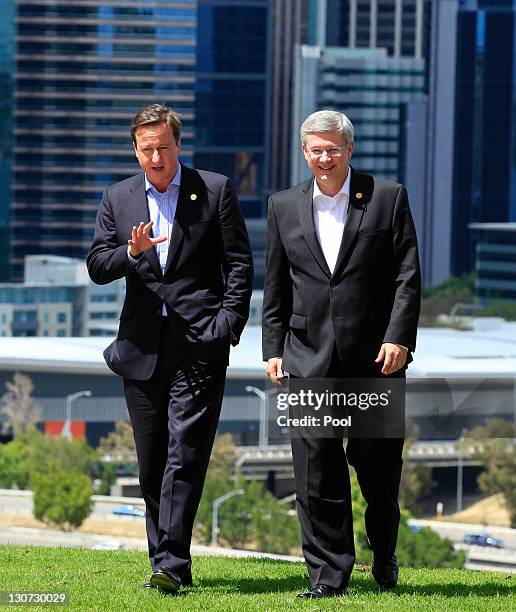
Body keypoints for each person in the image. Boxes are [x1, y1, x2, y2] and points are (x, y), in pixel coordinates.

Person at [87, 104, 253, 592]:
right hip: (140, 347)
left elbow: (240, 261)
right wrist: (131, 252)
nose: (155, 156)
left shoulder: (214, 189)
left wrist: (228, 323)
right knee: (152, 460)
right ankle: (163, 558)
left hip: (199, 345)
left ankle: (171, 567)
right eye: (146, 149)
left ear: (178, 145)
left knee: (186, 454)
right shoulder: (117, 198)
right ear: (135, 149)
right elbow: (97, 265)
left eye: (163, 147)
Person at [262, 110, 421, 598]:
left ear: (349, 150)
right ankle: (328, 576)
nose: (325, 157)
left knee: (377, 471)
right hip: (306, 357)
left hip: (375, 360)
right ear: (304, 153)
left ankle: (384, 551)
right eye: (316, 149)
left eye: (334, 148)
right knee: (315, 475)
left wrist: (399, 338)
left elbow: (407, 276)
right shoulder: (282, 205)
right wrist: (272, 349)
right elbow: (275, 286)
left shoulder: (386, 197)